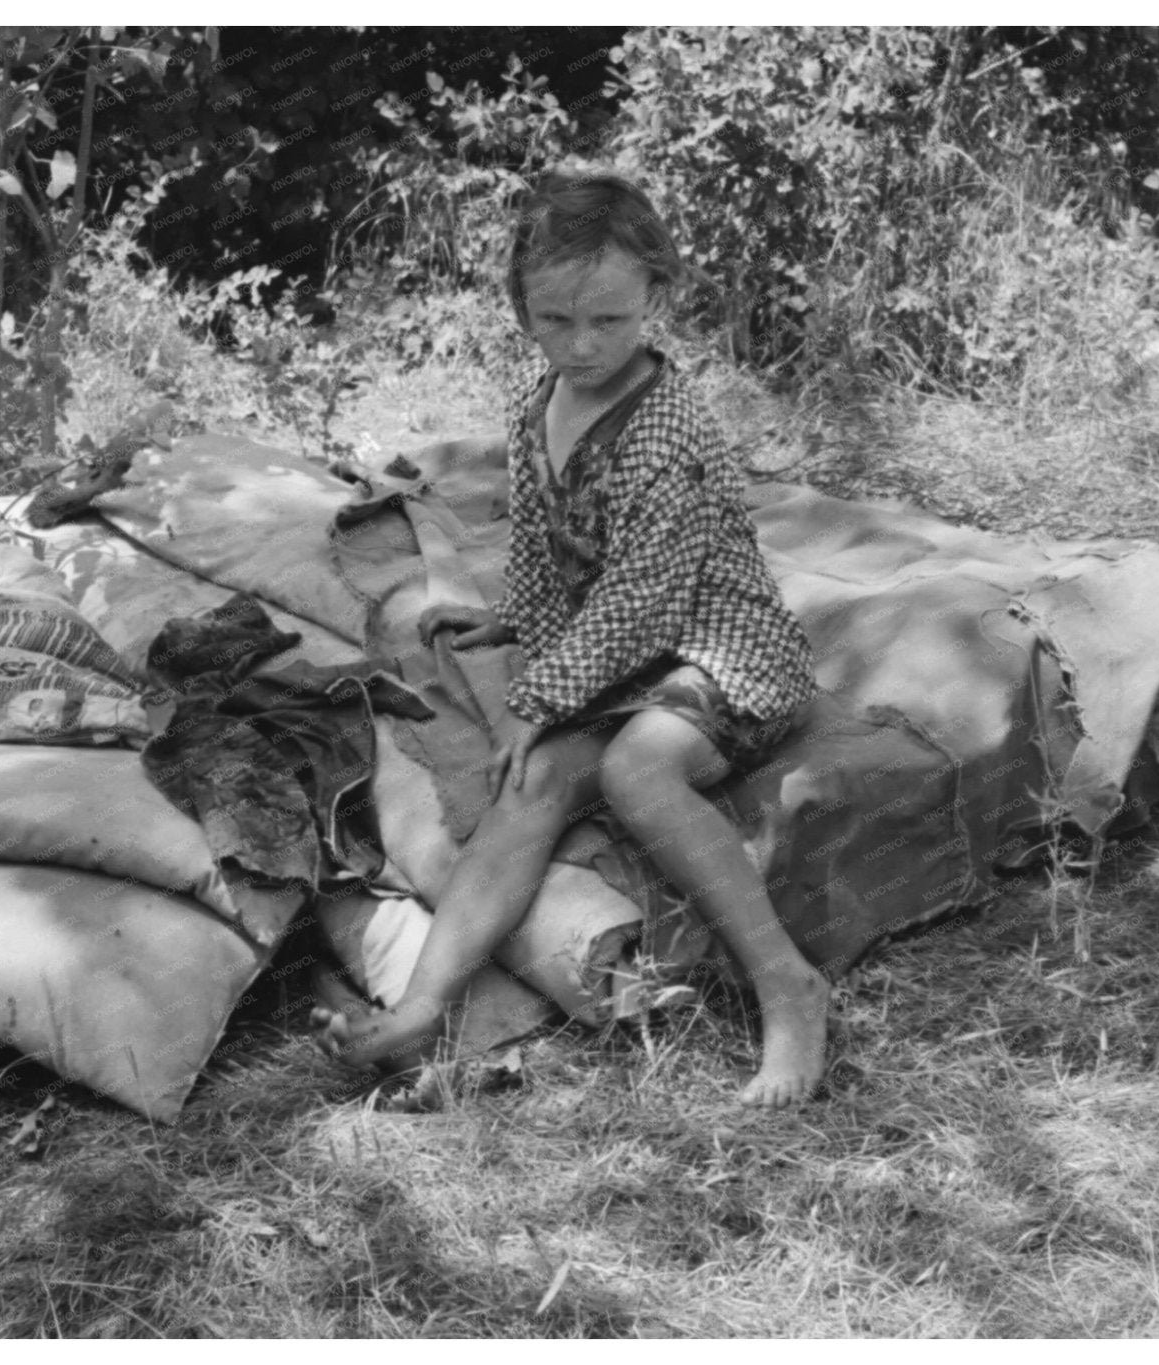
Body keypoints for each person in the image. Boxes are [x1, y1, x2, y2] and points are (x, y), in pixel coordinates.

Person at [318, 170, 830, 1106]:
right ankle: (421, 1008)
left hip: (717, 647)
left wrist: (538, 693)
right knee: (536, 776)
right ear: (522, 310)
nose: (582, 344)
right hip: (622, 652)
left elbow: (642, 602)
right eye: (555, 321)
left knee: (638, 768)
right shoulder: (538, 404)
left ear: (656, 301)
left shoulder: (664, 434)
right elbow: (547, 545)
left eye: (609, 322)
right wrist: (517, 620)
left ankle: (787, 984)